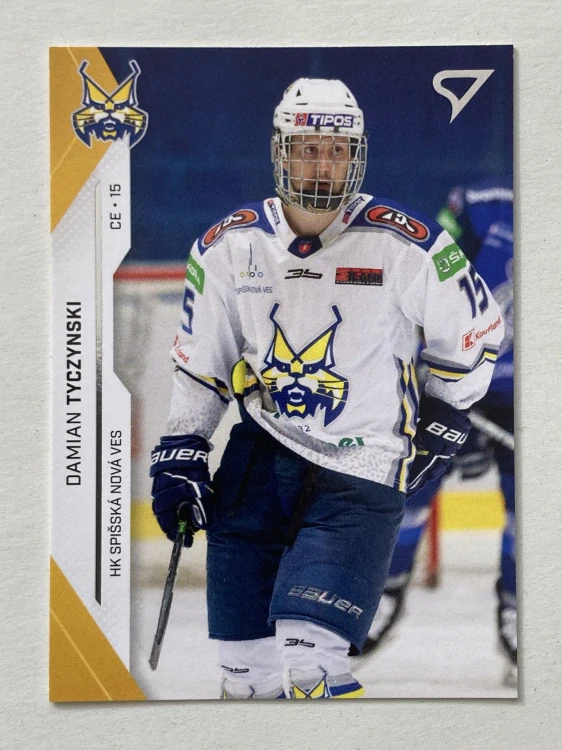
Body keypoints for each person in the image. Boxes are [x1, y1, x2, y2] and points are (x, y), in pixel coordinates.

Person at [149, 79, 504, 699]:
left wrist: (445, 418)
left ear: (356, 155)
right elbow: (203, 364)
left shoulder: (409, 244)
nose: (323, 164)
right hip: (259, 463)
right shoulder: (227, 246)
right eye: (308, 149)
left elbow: (477, 333)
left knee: (311, 664)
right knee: (245, 676)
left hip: (362, 471)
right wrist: (182, 448)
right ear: (280, 152)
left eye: (337, 150)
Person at [356, 178, 515, 685]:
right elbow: (425, 274)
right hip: (457, 378)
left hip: (536, 394)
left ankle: (522, 611)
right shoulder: (482, 207)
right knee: (408, 487)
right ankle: (377, 594)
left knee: (532, 512)